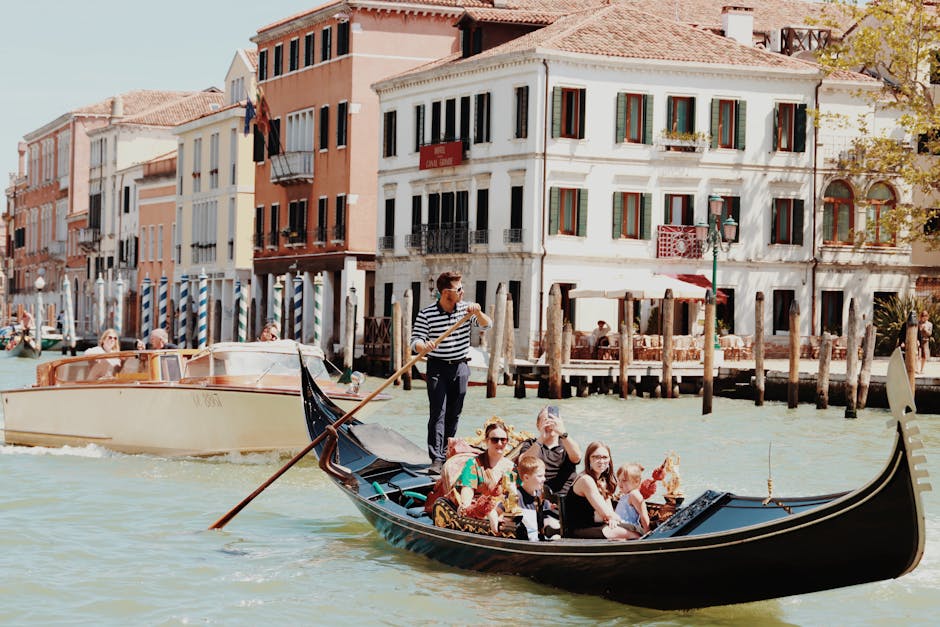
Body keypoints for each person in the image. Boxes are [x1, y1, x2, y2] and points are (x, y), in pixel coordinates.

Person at [411, 271, 491, 474]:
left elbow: (487, 325)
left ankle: (447, 453)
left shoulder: (466, 310)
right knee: (438, 412)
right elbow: (415, 341)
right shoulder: (427, 313)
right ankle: (436, 459)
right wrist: (423, 347)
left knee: (454, 414)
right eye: (459, 289)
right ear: (446, 292)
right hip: (437, 366)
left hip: (461, 367)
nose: (463, 292)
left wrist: (478, 312)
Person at [562, 441, 633, 540]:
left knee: (633, 529)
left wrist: (612, 519)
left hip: (596, 525)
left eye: (605, 457)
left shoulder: (602, 480)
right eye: (596, 457)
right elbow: (606, 513)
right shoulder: (586, 480)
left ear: (609, 460)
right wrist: (611, 517)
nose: (601, 461)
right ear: (588, 460)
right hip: (580, 529)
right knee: (633, 533)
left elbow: (609, 511)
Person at [455, 421, 517, 534]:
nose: (499, 443)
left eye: (503, 440)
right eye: (495, 440)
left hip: (504, 509)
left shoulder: (511, 467)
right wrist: (465, 504)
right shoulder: (474, 463)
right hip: (481, 508)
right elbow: (468, 489)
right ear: (486, 441)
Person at [517, 405, 582, 497]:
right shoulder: (531, 444)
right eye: (545, 420)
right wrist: (541, 440)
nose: (550, 424)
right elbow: (523, 463)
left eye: (554, 420)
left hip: (565, 496)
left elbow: (577, 458)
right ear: (538, 425)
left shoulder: (567, 443)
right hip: (539, 496)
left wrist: (563, 433)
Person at [515, 456, 558, 541]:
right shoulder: (517, 495)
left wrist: (551, 507)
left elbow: (546, 506)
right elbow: (500, 509)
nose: (544, 479)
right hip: (523, 539)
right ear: (526, 478)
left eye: (544, 475)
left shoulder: (539, 494)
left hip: (537, 536)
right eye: (540, 476)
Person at [614, 463, 650, 539]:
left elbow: (643, 515)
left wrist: (647, 534)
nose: (620, 484)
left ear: (637, 482)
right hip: (620, 525)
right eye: (619, 480)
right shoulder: (626, 494)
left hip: (629, 528)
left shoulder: (634, 494)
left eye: (624, 480)